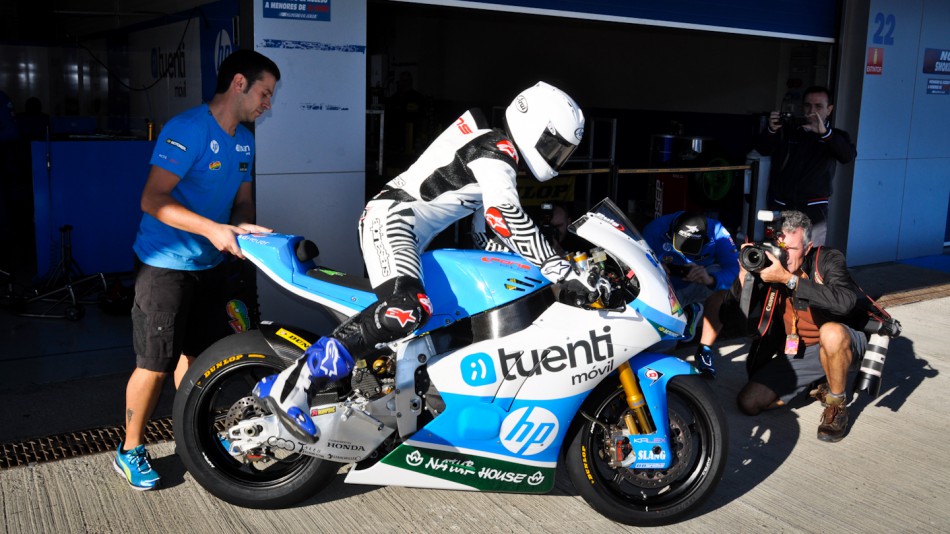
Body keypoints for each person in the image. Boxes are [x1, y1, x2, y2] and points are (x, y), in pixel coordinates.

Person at [255, 81, 592, 443]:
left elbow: (485, 232)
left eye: (563, 150)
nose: (556, 155)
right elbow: (503, 216)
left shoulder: (496, 153)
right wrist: (560, 268)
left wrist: (530, 265)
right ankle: (295, 386)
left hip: (408, 230)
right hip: (393, 219)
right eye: (553, 144)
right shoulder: (496, 149)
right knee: (406, 309)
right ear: (533, 124)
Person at [114, 50, 279, 490]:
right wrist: (213, 229)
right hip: (164, 265)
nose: (268, 103)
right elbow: (153, 199)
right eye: (265, 92)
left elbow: (242, 199)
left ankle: (192, 436)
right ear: (240, 83)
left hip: (210, 264)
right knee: (156, 361)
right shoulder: (187, 129)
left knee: (200, 359)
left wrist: (241, 224)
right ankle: (130, 449)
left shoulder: (245, 139)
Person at [699, 210, 868, 442]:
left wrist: (789, 280)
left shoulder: (827, 259)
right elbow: (733, 319)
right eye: (780, 247)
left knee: (831, 332)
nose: (783, 256)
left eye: (791, 250)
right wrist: (743, 277)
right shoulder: (769, 267)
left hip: (842, 343)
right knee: (749, 403)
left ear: (807, 249)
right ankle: (816, 385)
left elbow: (844, 302)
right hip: (802, 352)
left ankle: (837, 404)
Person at [755, 86, 856, 246]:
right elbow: (762, 149)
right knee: (775, 253)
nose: (812, 111)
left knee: (810, 255)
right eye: (808, 105)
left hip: (813, 207)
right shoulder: (789, 131)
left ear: (829, 110)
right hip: (782, 204)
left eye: (818, 106)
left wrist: (825, 133)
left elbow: (847, 156)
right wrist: (771, 129)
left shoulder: (836, 136)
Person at [642, 210, 739, 355]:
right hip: (665, 289)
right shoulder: (655, 229)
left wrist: (711, 279)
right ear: (671, 233)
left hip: (698, 283)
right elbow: (636, 262)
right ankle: (688, 310)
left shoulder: (718, 232)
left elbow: (735, 269)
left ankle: (705, 350)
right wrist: (655, 267)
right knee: (659, 347)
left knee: (725, 285)